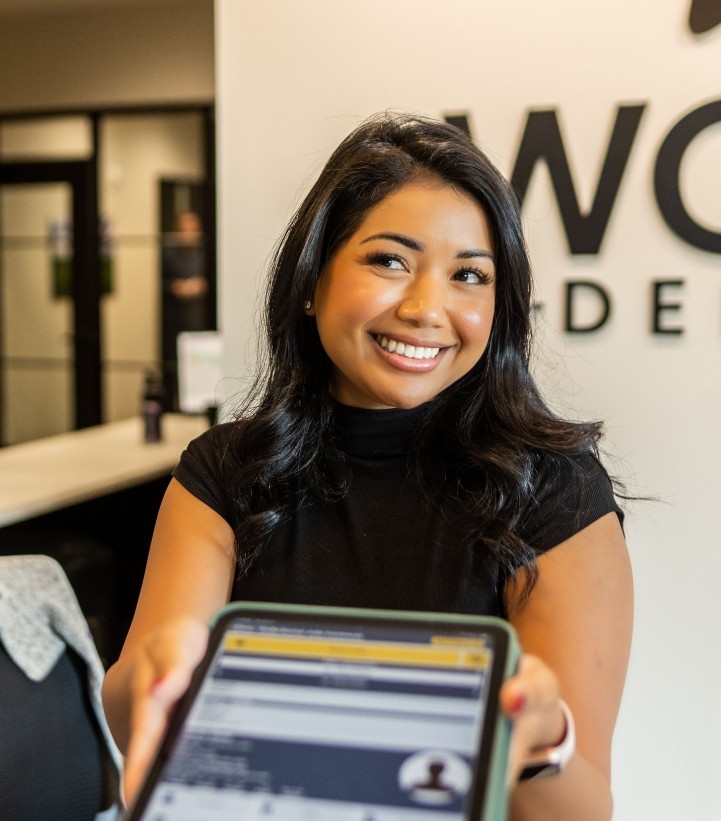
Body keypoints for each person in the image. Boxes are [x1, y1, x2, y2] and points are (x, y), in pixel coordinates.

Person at [103, 112, 632, 820]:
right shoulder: (225, 472)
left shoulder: (556, 488)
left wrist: (544, 738)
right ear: (311, 280)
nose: (425, 308)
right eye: (388, 260)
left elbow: (582, 808)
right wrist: (148, 675)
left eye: (468, 275)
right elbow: (124, 725)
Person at [161, 210, 210, 408]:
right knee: (174, 365)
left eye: (193, 228)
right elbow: (157, 282)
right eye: (184, 229)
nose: (189, 233)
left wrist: (204, 285)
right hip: (175, 322)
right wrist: (174, 287)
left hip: (201, 321)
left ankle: (201, 406)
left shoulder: (207, 253)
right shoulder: (168, 254)